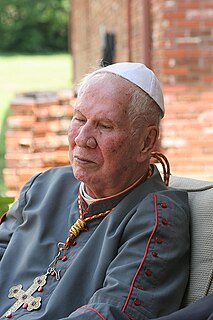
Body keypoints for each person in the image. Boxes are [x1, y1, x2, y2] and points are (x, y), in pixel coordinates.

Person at [0, 62, 190, 320]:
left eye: (104, 126)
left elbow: (113, 312)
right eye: (79, 119)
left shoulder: (158, 217)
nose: (82, 138)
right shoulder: (42, 186)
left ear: (145, 141)